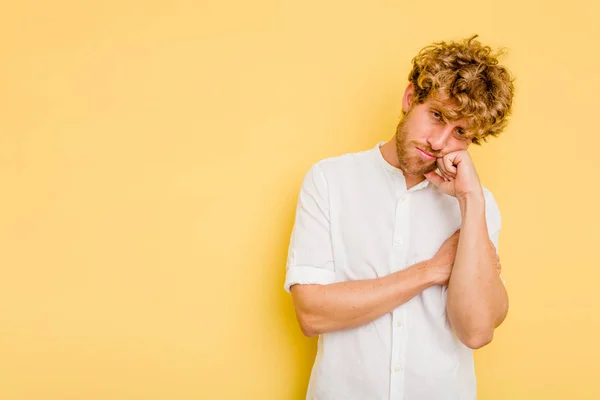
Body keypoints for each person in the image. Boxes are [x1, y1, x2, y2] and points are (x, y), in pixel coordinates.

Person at [283, 34, 515, 400]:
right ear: (411, 99)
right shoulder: (329, 180)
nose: (439, 142)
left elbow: (476, 331)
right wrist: (432, 271)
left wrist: (471, 202)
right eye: (436, 115)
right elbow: (312, 314)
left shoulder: (477, 205)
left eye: (460, 133)